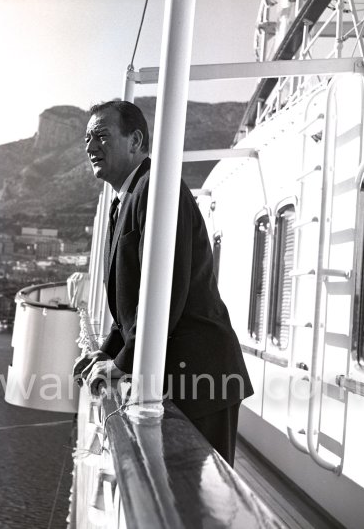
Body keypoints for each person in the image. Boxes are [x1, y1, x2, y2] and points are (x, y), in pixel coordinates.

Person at [73, 100, 253, 466]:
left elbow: (166, 288)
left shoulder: (156, 191)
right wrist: (107, 352)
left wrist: (123, 362)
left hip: (202, 376)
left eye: (102, 137)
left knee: (200, 505)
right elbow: (135, 304)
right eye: (87, 138)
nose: (91, 147)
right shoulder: (130, 195)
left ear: (135, 140)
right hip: (183, 373)